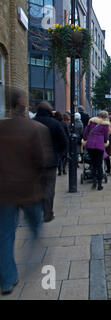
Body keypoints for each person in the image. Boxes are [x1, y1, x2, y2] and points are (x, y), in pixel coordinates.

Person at [0, 88, 52, 296]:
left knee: (5, 236)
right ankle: (33, 259)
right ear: (23, 104)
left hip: (4, 192)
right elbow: (42, 161)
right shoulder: (34, 129)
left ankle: (7, 280)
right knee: (35, 227)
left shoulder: (1, 129)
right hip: (29, 190)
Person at [34, 102, 68, 223]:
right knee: (49, 187)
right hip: (50, 161)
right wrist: (58, 155)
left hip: (34, 162)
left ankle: (35, 212)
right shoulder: (55, 123)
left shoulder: (32, 122)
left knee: (36, 186)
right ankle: (48, 213)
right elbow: (64, 142)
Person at [82, 111, 111, 191]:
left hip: (90, 145)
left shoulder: (91, 122)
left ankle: (94, 180)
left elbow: (85, 133)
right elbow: (106, 137)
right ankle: (99, 184)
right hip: (99, 146)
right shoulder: (105, 125)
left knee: (93, 163)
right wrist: (105, 142)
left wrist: (85, 139)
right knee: (99, 165)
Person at [54, 111, 70, 175]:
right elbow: (67, 133)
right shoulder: (64, 124)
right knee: (65, 156)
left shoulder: (55, 123)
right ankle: (63, 169)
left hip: (57, 142)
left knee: (59, 157)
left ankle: (59, 170)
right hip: (64, 141)